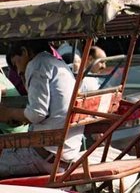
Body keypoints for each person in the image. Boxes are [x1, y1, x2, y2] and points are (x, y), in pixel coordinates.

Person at [0, 40, 83, 177]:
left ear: (24, 51)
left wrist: (9, 113)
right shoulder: (57, 63)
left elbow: (37, 113)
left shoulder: (37, 64)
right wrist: (20, 117)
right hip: (65, 152)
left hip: (47, 154)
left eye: (16, 63)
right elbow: (45, 111)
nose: (20, 70)